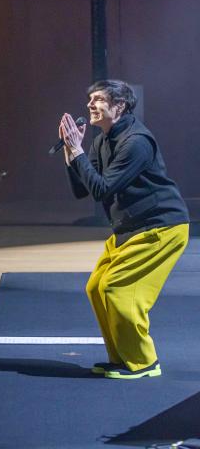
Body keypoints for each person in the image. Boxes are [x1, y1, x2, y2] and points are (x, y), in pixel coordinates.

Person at [59, 80, 190, 379]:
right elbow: (84, 190)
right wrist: (71, 152)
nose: (91, 104)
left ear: (119, 106)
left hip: (160, 227)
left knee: (118, 289)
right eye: (90, 98)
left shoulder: (136, 141)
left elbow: (103, 189)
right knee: (96, 288)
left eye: (99, 99)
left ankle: (144, 362)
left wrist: (78, 151)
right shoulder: (103, 140)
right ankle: (120, 358)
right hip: (129, 228)